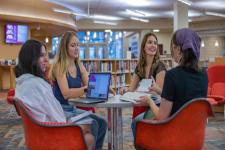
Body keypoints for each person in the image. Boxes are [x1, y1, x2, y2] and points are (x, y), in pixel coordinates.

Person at [14, 39, 95, 150]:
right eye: (42, 55)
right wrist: (77, 125)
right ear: (31, 59)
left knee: (90, 121)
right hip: (51, 135)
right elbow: (59, 118)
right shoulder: (38, 85)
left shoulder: (21, 83)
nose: (47, 59)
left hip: (36, 135)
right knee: (90, 128)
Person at [132, 28, 208, 137]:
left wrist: (149, 101)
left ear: (178, 49)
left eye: (172, 47)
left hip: (173, 135)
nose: (172, 51)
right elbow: (181, 97)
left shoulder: (173, 75)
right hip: (195, 135)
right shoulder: (204, 74)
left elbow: (161, 116)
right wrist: (160, 91)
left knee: (137, 122)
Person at [50, 31, 107, 150]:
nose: (77, 48)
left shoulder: (78, 65)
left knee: (102, 123)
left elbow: (90, 84)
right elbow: (66, 94)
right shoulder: (59, 66)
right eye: (72, 45)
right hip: (61, 111)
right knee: (94, 123)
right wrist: (86, 89)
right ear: (64, 48)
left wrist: (105, 87)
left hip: (73, 109)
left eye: (78, 45)